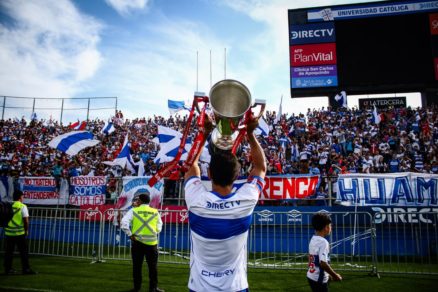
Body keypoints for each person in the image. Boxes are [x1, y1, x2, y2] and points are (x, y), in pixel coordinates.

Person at [184, 114, 266, 292]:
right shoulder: (246, 199)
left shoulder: (196, 200)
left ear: (210, 174)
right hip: (236, 287)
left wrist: (204, 132)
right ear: (237, 176)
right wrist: (250, 134)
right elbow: (260, 167)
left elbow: (191, 166)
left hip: (199, 288)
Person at [121, 191, 164, 292]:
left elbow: (124, 223)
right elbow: (159, 225)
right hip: (152, 243)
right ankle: (153, 288)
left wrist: (130, 234)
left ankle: (137, 288)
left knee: (137, 266)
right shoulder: (155, 211)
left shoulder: (134, 210)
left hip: (138, 243)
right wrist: (155, 231)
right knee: (153, 267)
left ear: (139, 201)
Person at [3, 190, 36, 275]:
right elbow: (26, 220)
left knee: (9, 252)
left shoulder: (8, 205)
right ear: (20, 197)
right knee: (23, 252)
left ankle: (8, 269)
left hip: (9, 233)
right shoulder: (22, 206)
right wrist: (26, 230)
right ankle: (26, 269)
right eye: (22, 196)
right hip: (19, 233)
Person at [307, 213, 342, 292]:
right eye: (330, 226)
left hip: (311, 276)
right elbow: (323, 263)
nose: (331, 228)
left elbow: (310, 258)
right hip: (319, 279)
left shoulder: (313, 239)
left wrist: (328, 275)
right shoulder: (324, 242)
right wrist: (335, 275)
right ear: (326, 228)